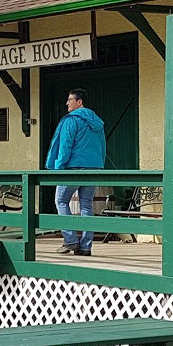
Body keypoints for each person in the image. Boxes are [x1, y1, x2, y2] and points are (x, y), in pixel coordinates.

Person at [45, 87, 106, 256]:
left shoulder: (71, 120)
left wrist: (58, 168)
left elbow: (65, 146)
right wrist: (99, 165)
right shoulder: (97, 122)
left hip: (73, 167)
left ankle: (70, 240)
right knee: (86, 205)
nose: (67, 103)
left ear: (79, 102)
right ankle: (86, 246)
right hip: (93, 167)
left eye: (70, 99)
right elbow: (102, 146)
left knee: (61, 201)